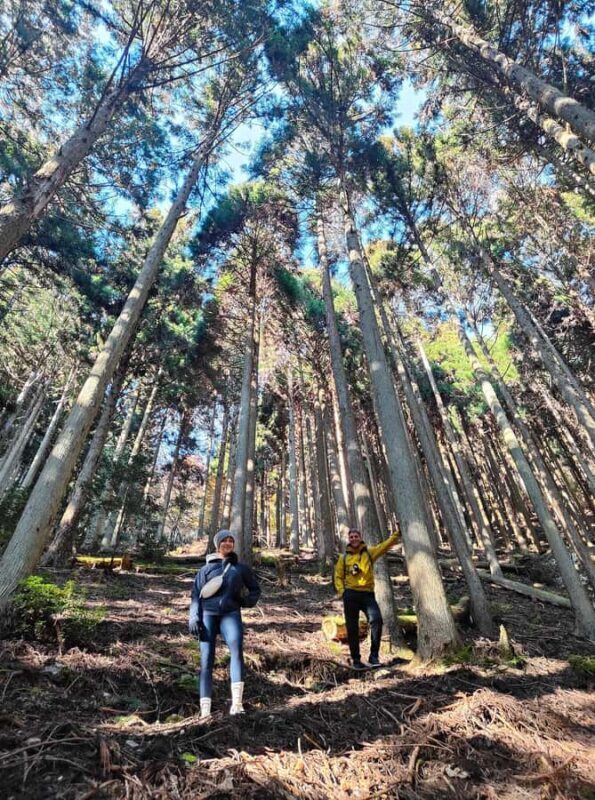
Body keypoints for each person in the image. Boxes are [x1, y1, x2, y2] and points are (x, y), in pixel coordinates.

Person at [189, 529, 261, 718]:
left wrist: (246, 602)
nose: (228, 543)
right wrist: (194, 617)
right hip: (208, 616)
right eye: (224, 540)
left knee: (237, 653)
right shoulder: (205, 569)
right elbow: (196, 596)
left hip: (231, 614)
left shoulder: (240, 568)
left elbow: (255, 589)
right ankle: (205, 711)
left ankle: (237, 704)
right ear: (217, 544)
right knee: (206, 660)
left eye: (231, 540)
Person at [334, 527, 400, 670]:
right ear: (349, 539)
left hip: (367, 594)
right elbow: (338, 576)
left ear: (360, 537)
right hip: (350, 595)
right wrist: (342, 592)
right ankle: (356, 660)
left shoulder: (369, 553)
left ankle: (374, 656)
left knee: (377, 620)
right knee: (352, 628)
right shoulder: (343, 558)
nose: (354, 539)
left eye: (356, 536)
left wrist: (397, 534)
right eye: (351, 537)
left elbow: (385, 546)